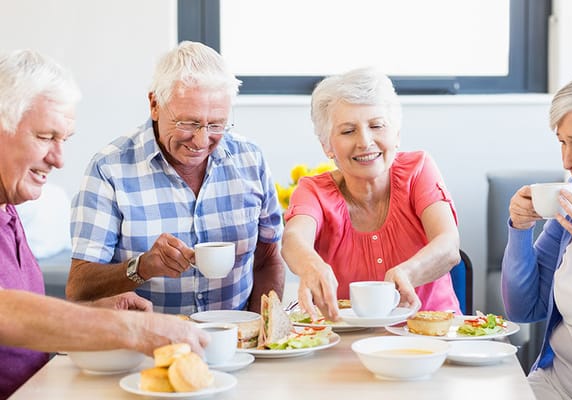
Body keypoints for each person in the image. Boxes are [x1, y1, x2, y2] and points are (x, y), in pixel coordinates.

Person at [0, 49, 209, 399]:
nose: (59, 159)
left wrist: (90, 314)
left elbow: (21, 316)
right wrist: (131, 330)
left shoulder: (9, 206)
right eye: (44, 137)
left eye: (64, 139)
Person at [66, 41, 284, 315]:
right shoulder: (110, 168)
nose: (202, 140)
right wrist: (142, 266)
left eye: (216, 124)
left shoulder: (250, 159)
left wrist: (259, 329)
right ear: (155, 104)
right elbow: (79, 286)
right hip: (147, 345)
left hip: (237, 342)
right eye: (188, 123)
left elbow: (267, 260)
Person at [281, 67, 461, 321]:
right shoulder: (314, 190)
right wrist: (311, 265)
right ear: (327, 146)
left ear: (396, 134)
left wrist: (408, 272)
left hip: (433, 333)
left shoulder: (418, 169)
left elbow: (449, 245)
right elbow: (293, 238)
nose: (365, 141)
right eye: (347, 131)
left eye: (376, 125)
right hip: (347, 342)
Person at [502, 65, 572, 399]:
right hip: (553, 383)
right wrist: (520, 229)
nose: (568, 160)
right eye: (562, 142)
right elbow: (523, 308)